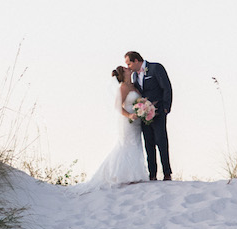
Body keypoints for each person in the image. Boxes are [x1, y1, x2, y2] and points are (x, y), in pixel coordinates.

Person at [73, 66, 148, 192]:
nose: (129, 68)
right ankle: (121, 174)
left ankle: (135, 174)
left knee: (136, 143)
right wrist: (129, 115)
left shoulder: (134, 85)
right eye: (126, 68)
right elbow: (117, 106)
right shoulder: (123, 87)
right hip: (127, 120)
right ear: (123, 74)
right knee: (126, 144)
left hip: (137, 121)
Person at [125, 51, 173, 181]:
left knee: (161, 141)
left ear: (136, 61)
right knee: (148, 143)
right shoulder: (134, 77)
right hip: (143, 115)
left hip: (158, 112)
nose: (128, 66)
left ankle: (167, 173)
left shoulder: (155, 68)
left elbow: (167, 87)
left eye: (129, 63)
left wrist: (166, 108)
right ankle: (152, 175)